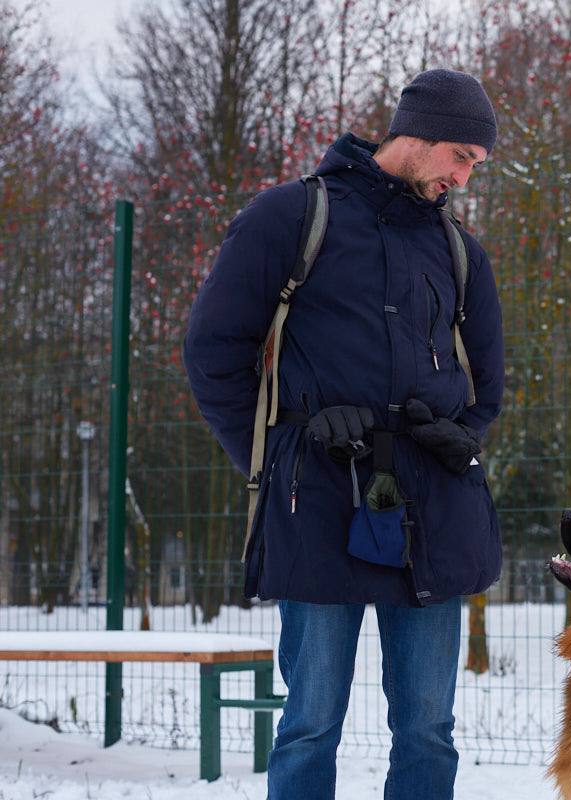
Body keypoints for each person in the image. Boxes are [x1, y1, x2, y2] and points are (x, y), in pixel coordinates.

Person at [183, 69, 505, 800]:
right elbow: (213, 354)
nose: (463, 176)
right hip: (318, 503)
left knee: (428, 728)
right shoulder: (290, 216)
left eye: (474, 165)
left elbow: (486, 384)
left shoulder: (460, 252)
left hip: (434, 514)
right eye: (461, 156)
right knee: (309, 722)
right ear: (415, 136)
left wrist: (460, 439)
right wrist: (275, 455)